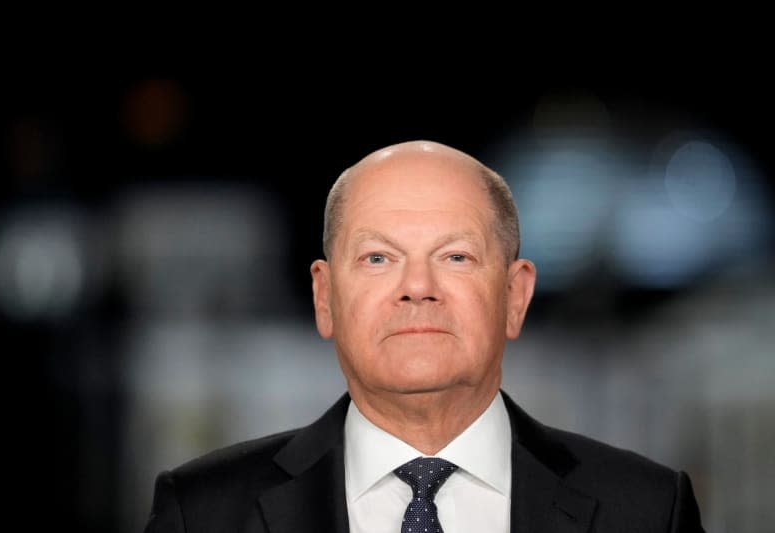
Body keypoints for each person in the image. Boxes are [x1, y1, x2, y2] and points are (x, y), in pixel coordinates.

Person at [143, 140, 705, 532]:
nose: (417, 287)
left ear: (515, 296)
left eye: (455, 256)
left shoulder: (648, 510)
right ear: (325, 297)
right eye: (378, 257)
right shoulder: (203, 512)